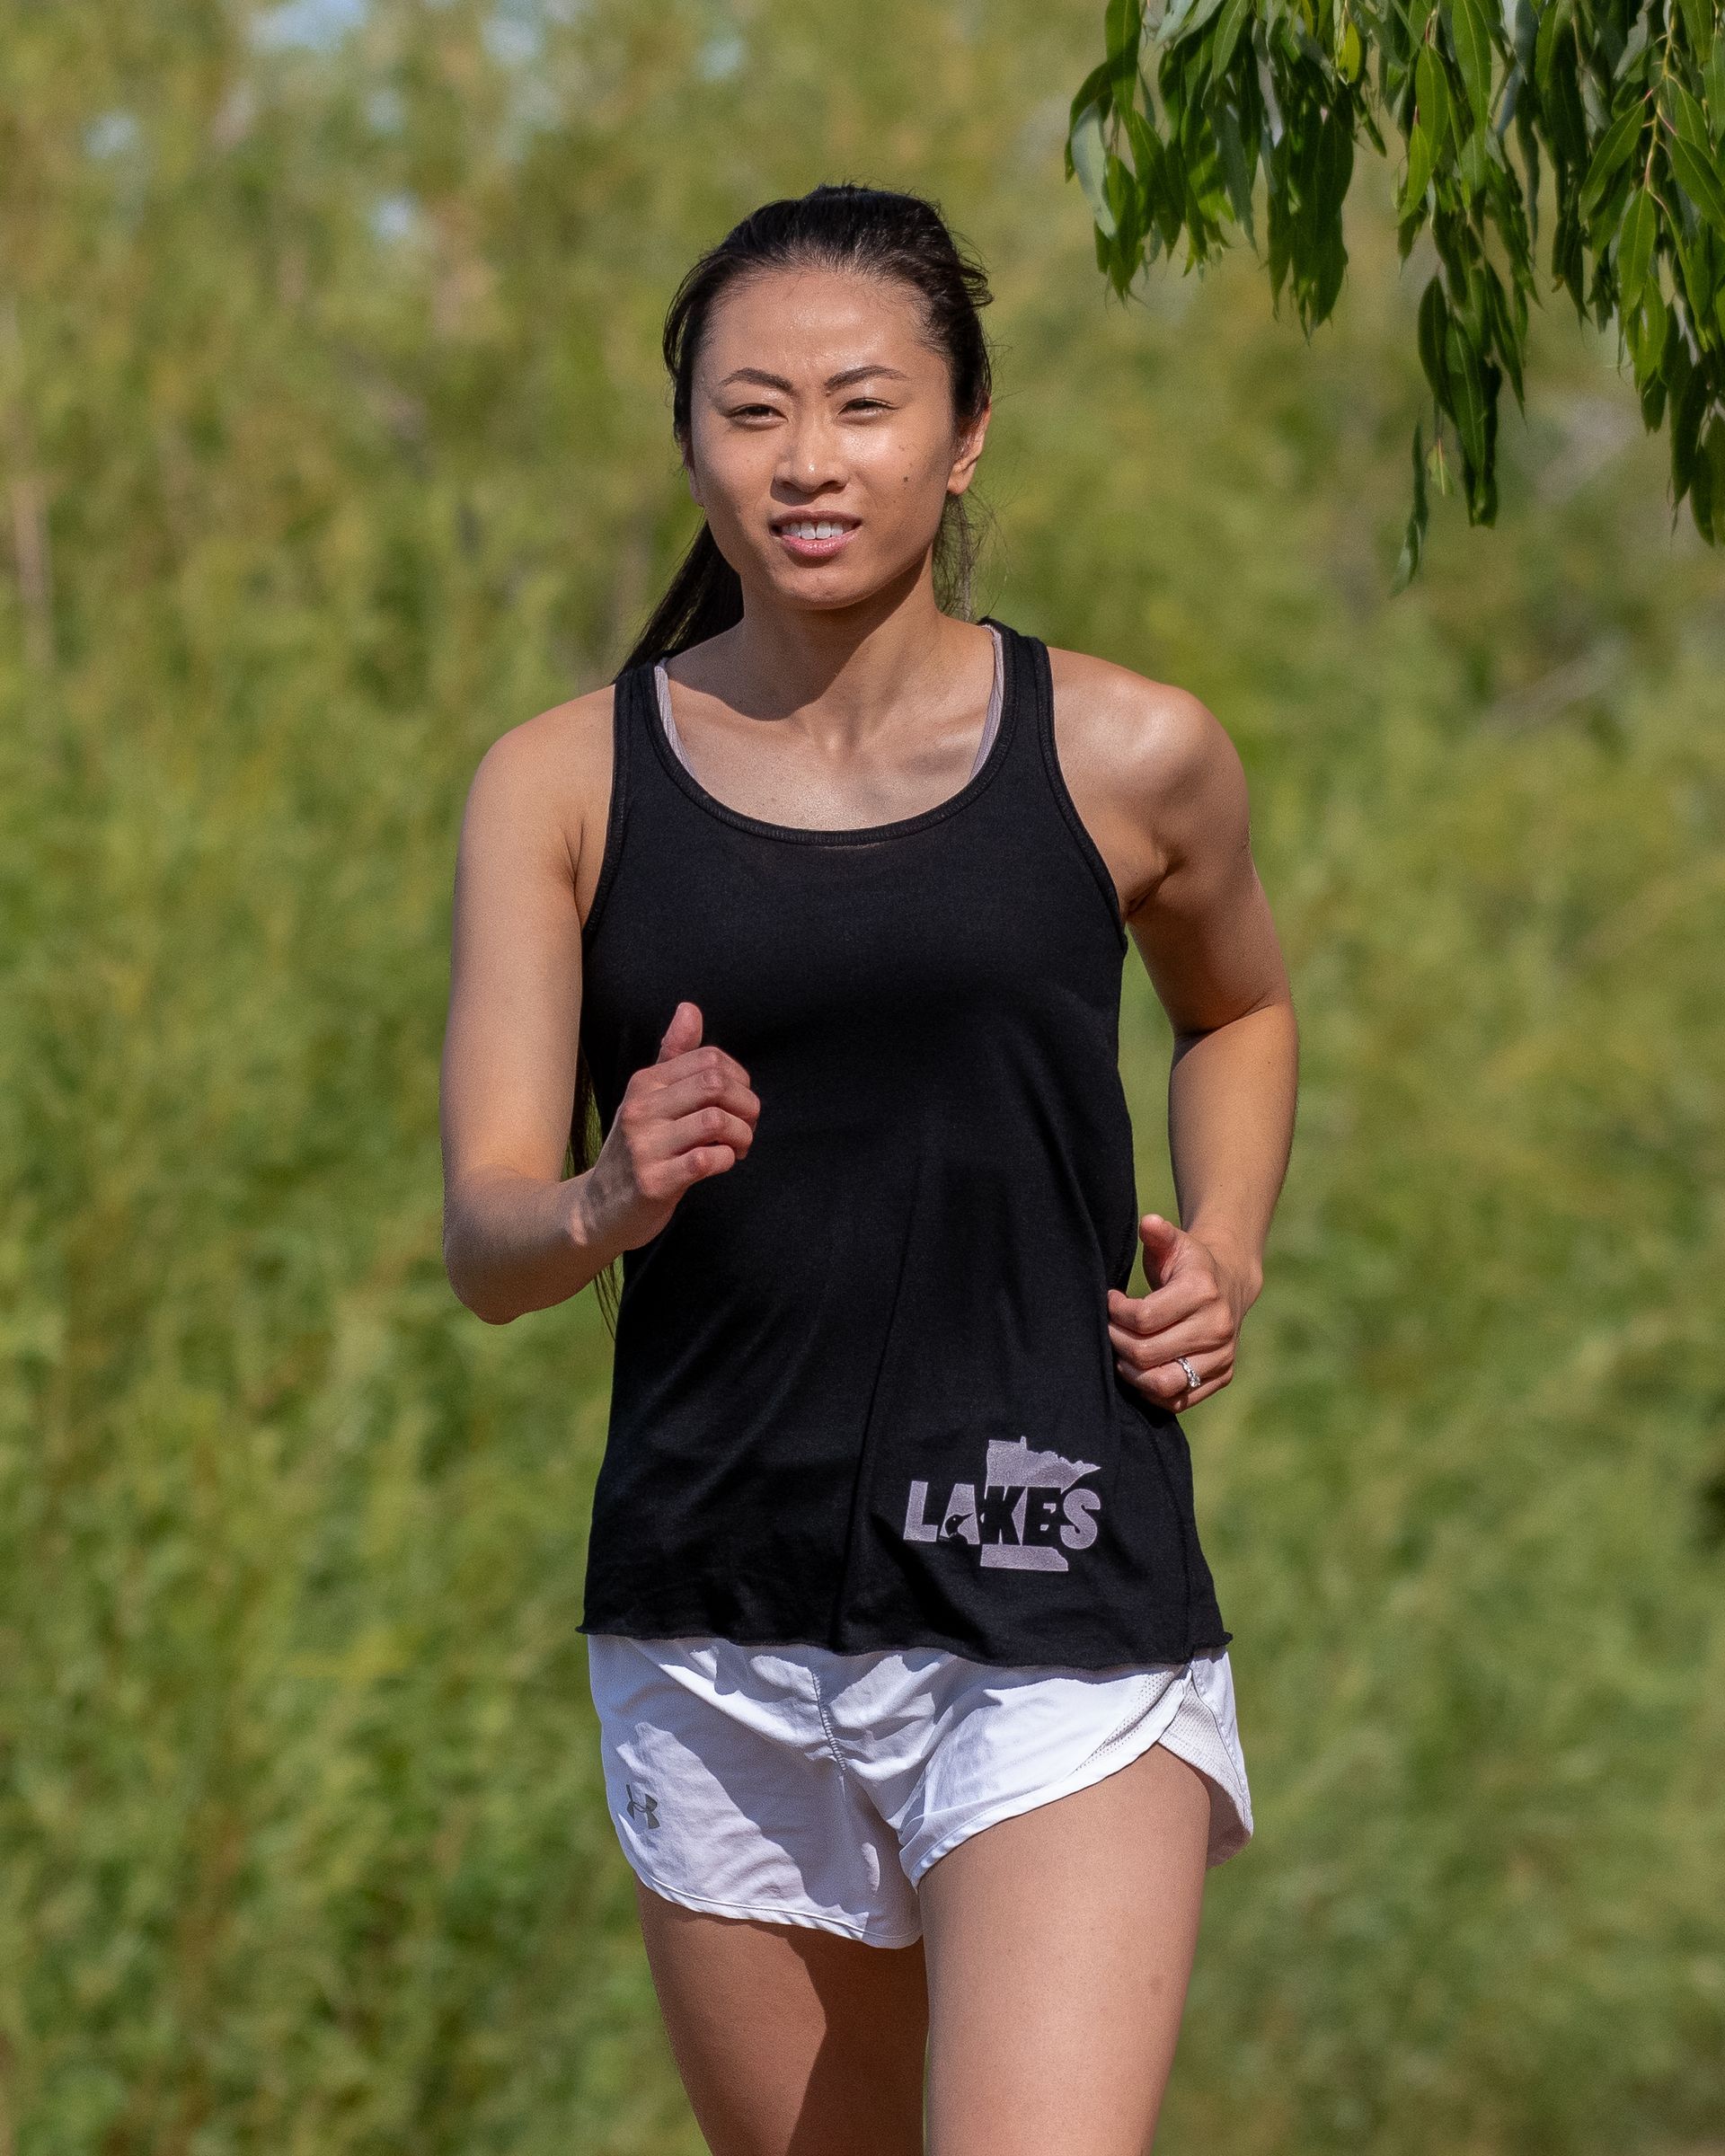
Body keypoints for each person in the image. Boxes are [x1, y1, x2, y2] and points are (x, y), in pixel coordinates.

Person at [439, 181, 1298, 2156]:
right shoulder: (560, 786)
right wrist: (601, 1199)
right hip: (713, 1614)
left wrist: (1227, 1250)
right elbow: (489, 1241)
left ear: (965, 432)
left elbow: (1239, 1013)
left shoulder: (1130, 752)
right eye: (751, 412)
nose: (807, 462)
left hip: (1054, 1594)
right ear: (690, 443)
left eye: (861, 405)